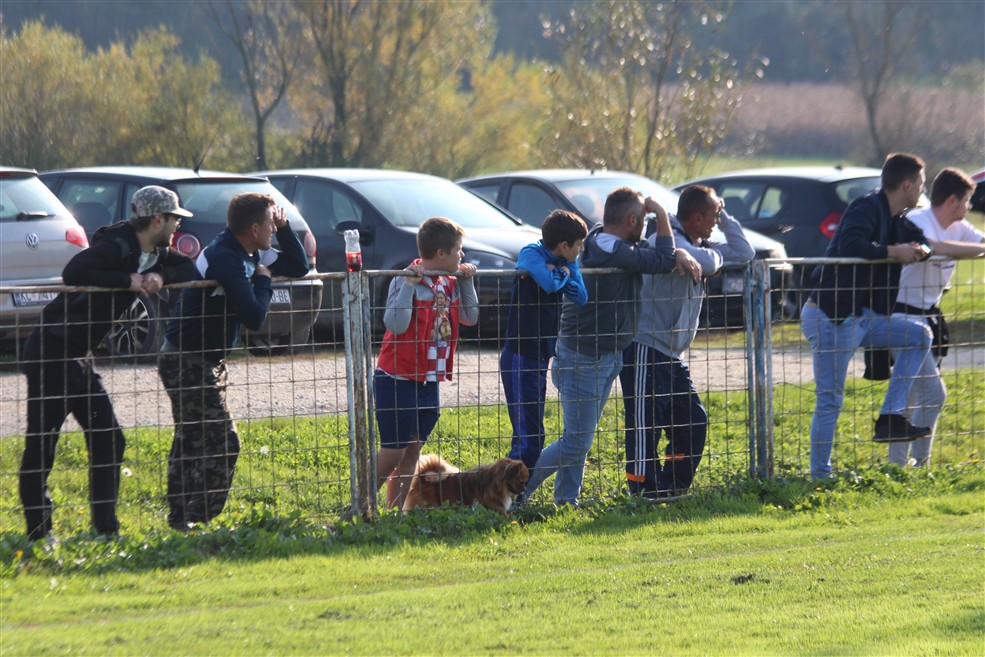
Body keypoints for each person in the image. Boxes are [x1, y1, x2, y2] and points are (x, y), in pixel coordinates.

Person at [19, 186, 196, 540]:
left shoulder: (153, 253)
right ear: (157, 219)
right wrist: (126, 281)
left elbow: (187, 267)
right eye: (174, 218)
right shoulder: (117, 246)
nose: (177, 225)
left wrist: (160, 277)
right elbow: (75, 271)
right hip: (51, 353)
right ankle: (40, 534)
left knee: (109, 439)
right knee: (42, 445)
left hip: (79, 356)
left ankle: (105, 531)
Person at [521, 187, 702, 507]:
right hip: (583, 358)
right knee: (576, 441)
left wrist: (678, 252)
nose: (647, 224)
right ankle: (517, 491)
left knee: (578, 439)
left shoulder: (615, 243)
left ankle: (565, 501)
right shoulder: (610, 249)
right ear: (633, 219)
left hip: (606, 355)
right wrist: (661, 214)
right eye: (644, 219)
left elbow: (660, 254)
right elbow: (660, 259)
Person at [159, 192, 309, 530]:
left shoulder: (249, 252)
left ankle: (182, 520)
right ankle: (197, 518)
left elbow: (299, 267)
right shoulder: (226, 257)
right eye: (272, 224)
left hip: (206, 360)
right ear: (254, 228)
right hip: (187, 360)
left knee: (191, 439)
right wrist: (263, 281)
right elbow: (254, 316)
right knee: (224, 442)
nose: (275, 228)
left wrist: (285, 229)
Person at [801, 152, 933, 480]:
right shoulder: (866, 206)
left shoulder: (896, 217)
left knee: (920, 335)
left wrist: (920, 251)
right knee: (830, 401)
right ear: (906, 184)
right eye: (921, 183)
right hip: (831, 318)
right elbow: (850, 245)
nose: (922, 189)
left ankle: (890, 416)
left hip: (860, 319)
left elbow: (924, 241)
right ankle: (820, 476)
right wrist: (894, 252)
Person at [620, 185, 754, 497]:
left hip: (672, 354)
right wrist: (713, 257)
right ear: (695, 217)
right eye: (712, 216)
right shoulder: (663, 241)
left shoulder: (699, 243)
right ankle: (641, 494)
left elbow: (745, 253)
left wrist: (725, 218)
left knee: (693, 421)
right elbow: (708, 263)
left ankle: (671, 488)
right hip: (645, 347)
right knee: (645, 426)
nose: (714, 222)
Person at [374, 216, 479, 509]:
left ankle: (395, 513)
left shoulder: (450, 280)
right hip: (397, 377)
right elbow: (395, 324)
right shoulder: (407, 278)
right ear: (442, 253)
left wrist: (467, 283)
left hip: (428, 379)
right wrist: (409, 285)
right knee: (393, 451)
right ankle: (359, 503)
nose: (463, 255)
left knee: (411, 452)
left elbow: (470, 318)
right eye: (459, 249)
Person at [887, 167, 985, 467]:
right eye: (967, 201)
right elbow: (934, 248)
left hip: (928, 317)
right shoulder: (918, 221)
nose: (969, 208)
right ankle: (916, 463)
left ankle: (904, 466)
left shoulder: (959, 226)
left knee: (915, 396)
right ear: (953, 200)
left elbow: (979, 243)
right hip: (900, 317)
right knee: (933, 393)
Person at [500, 210, 588, 470]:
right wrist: (562, 276)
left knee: (531, 435)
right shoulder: (531, 253)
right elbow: (550, 286)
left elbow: (581, 296)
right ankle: (504, 497)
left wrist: (559, 272)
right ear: (564, 245)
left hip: (540, 355)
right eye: (579, 245)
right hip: (520, 354)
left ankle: (507, 497)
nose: (581, 251)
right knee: (529, 440)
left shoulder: (566, 261)